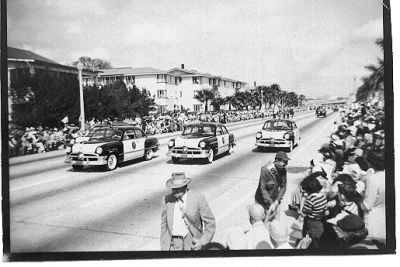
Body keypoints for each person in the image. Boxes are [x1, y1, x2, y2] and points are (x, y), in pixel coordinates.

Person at [160, 172, 216, 251]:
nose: (174, 190)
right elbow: (164, 226)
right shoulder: (166, 200)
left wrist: (202, 242)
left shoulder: (198, 198)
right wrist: (164, 247)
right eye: (173, 188)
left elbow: (211, 223)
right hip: (174, 244)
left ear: (185, 186)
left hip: (192, 242)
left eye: (178, 188)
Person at [255, 151, 289, 219]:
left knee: (274, 222)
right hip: (262, 201)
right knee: (261, 221)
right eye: (284, 162)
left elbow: (283, 187)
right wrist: (270, 203)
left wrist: (277, 201)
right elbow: (263, 189)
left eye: (286, 162)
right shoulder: (265, 170)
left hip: (275, 200)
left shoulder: (283, 170)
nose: (286, 164)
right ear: (277, 160)